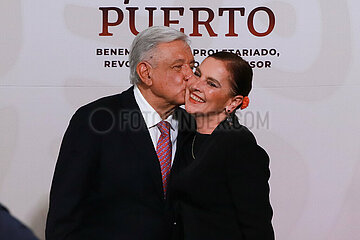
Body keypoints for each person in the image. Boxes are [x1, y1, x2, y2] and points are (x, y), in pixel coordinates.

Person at [46, 26, 195, 240]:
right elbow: (65, 215)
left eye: (191, 65)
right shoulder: (96, 120)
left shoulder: (194, 125)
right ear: (146, 73)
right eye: (178, 67)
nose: (190, 76)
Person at [170, 52, 275, 240]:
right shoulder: (183, 134)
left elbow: (257, 229)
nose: (196, 86)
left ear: (232, 102)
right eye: (198, 74)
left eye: (211, 84)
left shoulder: (239, 147)